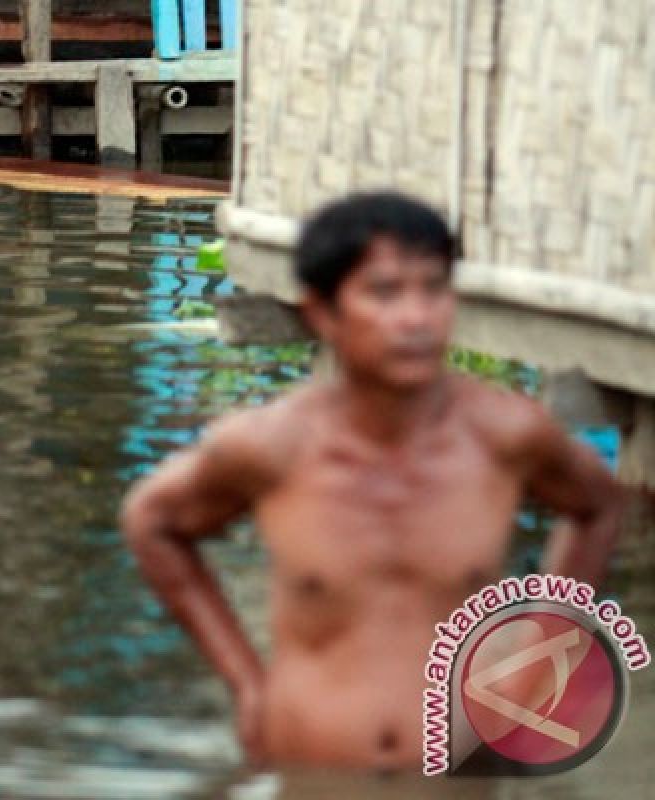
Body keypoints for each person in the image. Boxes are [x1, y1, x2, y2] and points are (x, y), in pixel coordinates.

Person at [119, 190, 626, 771]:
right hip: (313, 767)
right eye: (384, 293)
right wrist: (245, 682)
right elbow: (151, 522)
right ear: (321, 312)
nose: (416, 317)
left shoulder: (506, 437)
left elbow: (599, 507)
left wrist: (535, 665)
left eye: (433, 289)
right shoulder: (271, 446)